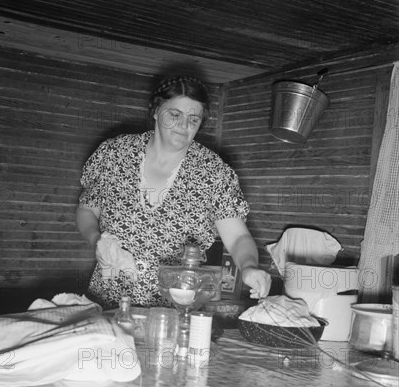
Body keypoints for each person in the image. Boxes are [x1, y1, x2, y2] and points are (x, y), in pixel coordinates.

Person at [76, 75, 271, 309]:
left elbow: (239, 237)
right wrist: (97, 240)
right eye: (175, 115)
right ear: (156, 111)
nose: (184, 125)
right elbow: (87, 210)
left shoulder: (214, 173)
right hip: (108, 302)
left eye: (193, 118)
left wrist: (249, 266)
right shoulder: (114, 154)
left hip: (173, 310)